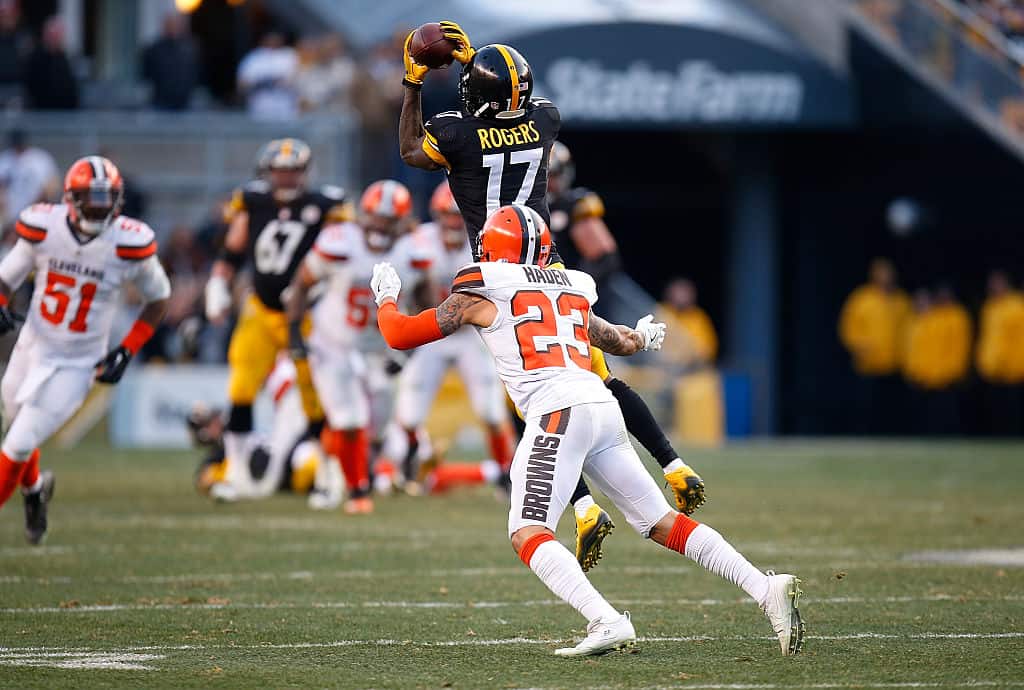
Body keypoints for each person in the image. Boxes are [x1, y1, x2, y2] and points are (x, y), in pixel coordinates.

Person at [371, 204, 804, 657]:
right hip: (601, 406)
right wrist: (642, 337)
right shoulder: (572, 285)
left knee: (527, 531)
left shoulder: (483, 286)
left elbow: (400, 335)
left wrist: (385, 297)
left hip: (558, 411)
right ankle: (764, 587)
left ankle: (605, 620)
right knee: (661, 523)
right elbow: (615, 340)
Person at [396, 23, 705, 571]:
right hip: (549, 267)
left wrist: (414, 81)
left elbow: (410, 150)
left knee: (533, 399)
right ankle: (670, 464)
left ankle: (583, 508)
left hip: (495, 271)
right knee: (597, 377)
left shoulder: (456, 133)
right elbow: (511, 107)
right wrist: (480, 68)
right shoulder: (546, 120)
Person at [0, 155, 170, 544]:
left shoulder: (129, 242)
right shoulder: (44, 228)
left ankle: (30, 487)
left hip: (78, 363)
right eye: (90, 199)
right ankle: (35, 490)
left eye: (105, 198)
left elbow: (159, 299)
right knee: (15, 427)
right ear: (70, 199)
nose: (99, 207)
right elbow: (5, 279)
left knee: (18, 443)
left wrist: (127, 350)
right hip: (31, 347)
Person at [203, 138, 352, 501]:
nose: (285, 178)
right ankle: (237, 475)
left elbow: (344, 253)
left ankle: (328, 474)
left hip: (305, 314)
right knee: (241, 387)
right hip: (262, 309)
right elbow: (233, 249)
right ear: (268, 173)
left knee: (316, 395)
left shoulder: (325, 205)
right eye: (280, 171)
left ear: (304, 173)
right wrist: (218, 283)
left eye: (292, 171)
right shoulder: (252, 201)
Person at [285, 179, 432, 514]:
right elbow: (301, 284)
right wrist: (295, 334)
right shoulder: (339, 241)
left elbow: (427, 302)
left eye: (389, 219)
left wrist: (409, 350)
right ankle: (356, 491)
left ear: (403, 221)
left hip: (379, 348)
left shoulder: (414, 251)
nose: (380, 225)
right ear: (362, 215)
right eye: (375, 217)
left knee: (377, 424)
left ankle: (344, 471)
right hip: (333, 340)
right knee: (348, 418)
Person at [380, 180, 514, 494]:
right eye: (447, 215)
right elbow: (399, 282)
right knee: (409, 415)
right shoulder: (418, 241)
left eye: (457, 216)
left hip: (471, 335)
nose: (453, 223)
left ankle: (507, 475)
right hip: (431, 332)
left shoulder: (481, 243)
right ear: (436, 215)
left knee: (491, 412)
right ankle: (413, 455)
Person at [189, 356, 342, 502]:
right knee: (311, 463)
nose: (217, 421)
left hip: (288, 454)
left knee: (321, 454)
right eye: (209, 422)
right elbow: (204, 478)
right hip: (286, 468)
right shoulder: (223, 452)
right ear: (204, 434)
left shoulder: (244, 433)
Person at [546, 141, 623, 317]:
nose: (550, 182)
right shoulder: (522, 207)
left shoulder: (571, 206)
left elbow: (605, 258)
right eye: (546, 175)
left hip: (573, 304)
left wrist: (571, 289)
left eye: (554, 175)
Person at [838, 258, 911, 433]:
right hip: (868, 364)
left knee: (892, 408)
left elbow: (910, 330)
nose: (885, 277)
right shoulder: (861, 299)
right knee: (865, 407)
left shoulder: (901, 301)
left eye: (888, 273)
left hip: (895, 364)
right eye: (881, 273)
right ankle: (863, 438)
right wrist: (860, 346)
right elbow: (848, 327)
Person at [901, 286, 972, 434]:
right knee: (921, 413)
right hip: (918, 374)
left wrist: (947, 371)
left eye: (924, 301)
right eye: (918, 301)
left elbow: (944, 348)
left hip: (938, 374)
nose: (921, 304)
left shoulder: (939, 320)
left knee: (943, 410)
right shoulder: (912, 322)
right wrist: (911, 370)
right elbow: (909, 349)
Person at [975, 270, 1024, 435]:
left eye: (998, 282)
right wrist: (984, 361)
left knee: (1014, 408)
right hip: (993, 368)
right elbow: (987, 337)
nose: (994, 287)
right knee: (997, 408)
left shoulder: (1017, 305)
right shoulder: (989, 307)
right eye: (992, 283)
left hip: (1014, 368)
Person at [0, 130, 59, 230]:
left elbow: (52, 185)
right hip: (9, 216)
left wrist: (35, 206)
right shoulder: (6, 159)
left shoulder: (39, 158)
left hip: (36, 213)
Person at [141, 12, 200, 111]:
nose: (173, 27)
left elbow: (196, 73)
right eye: (170, 24)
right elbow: (147, 74)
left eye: (176, 24)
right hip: (160, 101)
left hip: (185, 103)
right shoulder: (154, 49)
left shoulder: (191, 48)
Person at [656, 277, 718, 369]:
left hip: (692, 369)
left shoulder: (698, 317)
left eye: (686, 293)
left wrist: (691, 357)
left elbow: (708, 349)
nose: (682, 297)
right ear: (670, 294)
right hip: (663, 368)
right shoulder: (661, 313)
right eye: (679, 292)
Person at [236, 32, 298, 120]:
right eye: (270, 39)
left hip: (285, 106)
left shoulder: (289, 54)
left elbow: (295, 78)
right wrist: (260, 83)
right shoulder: (254, 57)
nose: (273, 41)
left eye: (276, 39)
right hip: (260, 105)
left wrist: (278, 82)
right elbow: (242, 83)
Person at [21, 16, 78, 110]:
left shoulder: (66, 59)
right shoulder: (35, 59)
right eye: (52, 35)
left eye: (57, 35)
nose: (54, 39)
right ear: (45, 35)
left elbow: (71, 89)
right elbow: (34, 90)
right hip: (41, 114)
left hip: (65, 114)